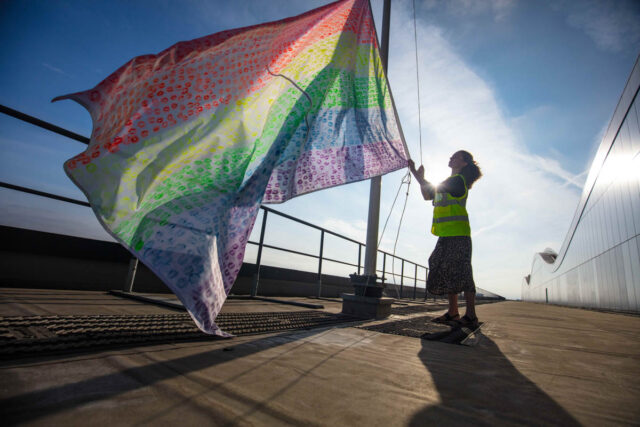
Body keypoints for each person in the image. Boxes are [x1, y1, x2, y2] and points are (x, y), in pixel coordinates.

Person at [408, 151, 482, 326]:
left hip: (458, 234)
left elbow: (431, 189)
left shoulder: (457, 181)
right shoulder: (450, 182)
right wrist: (419, 177)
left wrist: (417, 174)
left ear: (464, 163)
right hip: (446, 234)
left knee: (462, 272)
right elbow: (427, 195)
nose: (451, 158)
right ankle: (453, 312)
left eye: (455, 157)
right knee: (444, 267)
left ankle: (470, 315)